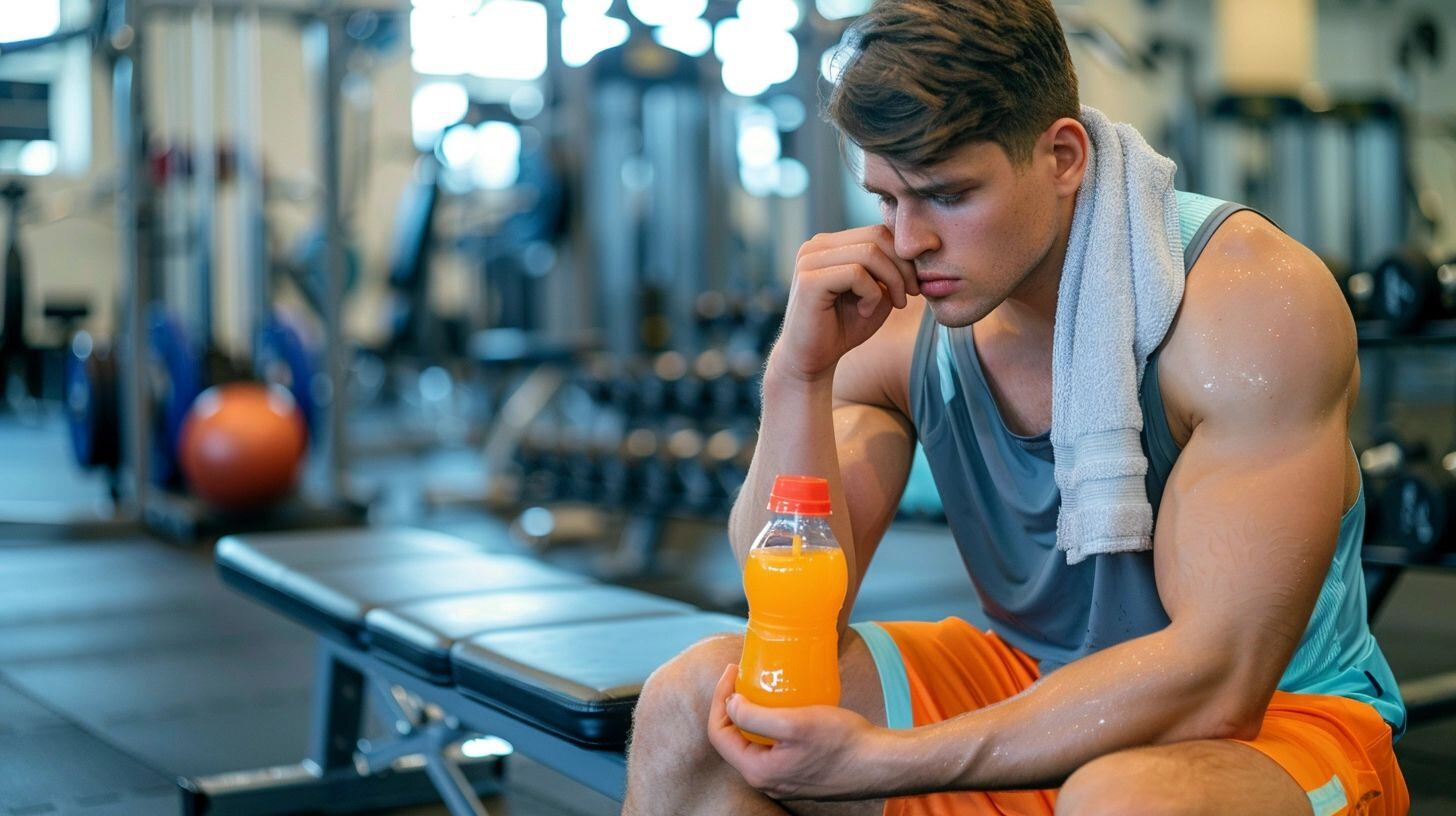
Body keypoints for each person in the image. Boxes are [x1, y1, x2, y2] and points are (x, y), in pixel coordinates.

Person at [621, 0, 1409, 813]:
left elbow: (1221, 679)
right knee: (700, 700)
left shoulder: (1242, 303)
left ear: (1062, 156)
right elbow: (787, 609)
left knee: (1122, 800)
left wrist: (892, 761)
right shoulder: (897, 320)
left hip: (1280, 724)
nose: (910, 240)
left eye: (948, 194)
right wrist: (798, 374)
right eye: (887, 199)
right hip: (1032, 676)